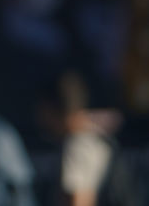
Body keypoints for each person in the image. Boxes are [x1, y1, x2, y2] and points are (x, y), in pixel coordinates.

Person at [36, 71, 137, 206]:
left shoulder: (78, 144)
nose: (39, 118)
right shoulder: (96, 136)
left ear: (50, 109)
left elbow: (79, 200)